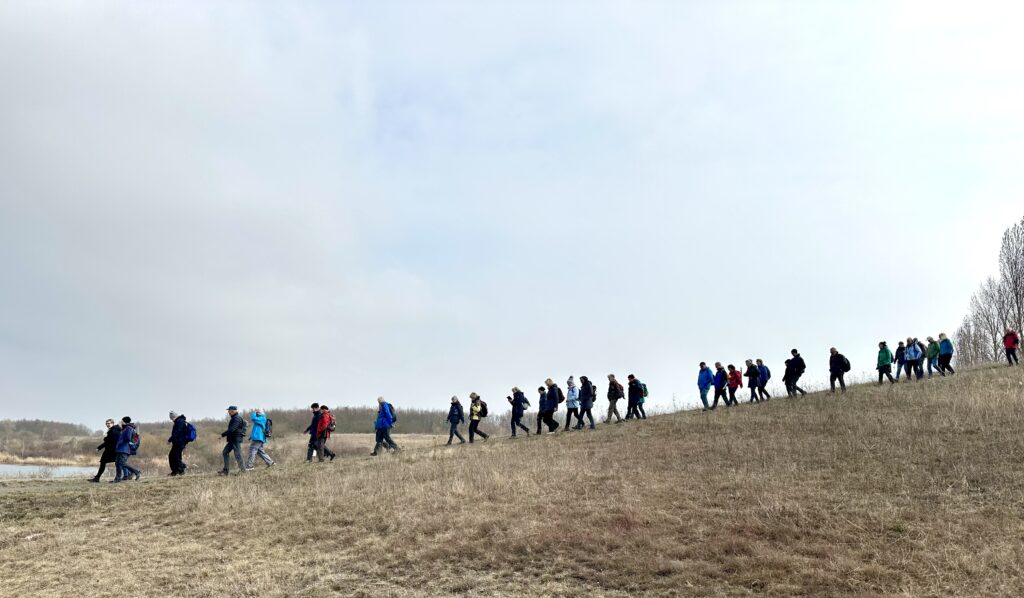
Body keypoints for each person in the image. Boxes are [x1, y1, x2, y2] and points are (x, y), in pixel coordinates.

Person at [90, 418, 120, 482]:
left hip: (112, 450)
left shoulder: (113, 431)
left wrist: (100, 446)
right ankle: (97, 478)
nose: (107, 425)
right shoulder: (112, 430)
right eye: (106, 423)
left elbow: (111, 441)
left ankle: (97, 478)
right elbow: (108, 441)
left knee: (120, 463)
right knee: (118, 463)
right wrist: (99, 447)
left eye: (109, 423)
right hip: (111, 450)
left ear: (112, 423)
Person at [112, 416, 141, 483]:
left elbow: (128, 438)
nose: (121, 422)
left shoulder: (128, 428)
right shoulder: (124, 428)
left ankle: (137, 472)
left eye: (121, 421)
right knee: (117, 463)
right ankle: (117, 479)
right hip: (120, 449)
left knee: (122, 463)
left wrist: (120, 442)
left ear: (124, 421)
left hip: (124, 449)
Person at [220, 406, 247, 475]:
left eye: (229, 411)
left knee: (238, 454)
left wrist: (222, 435)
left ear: (232, 411)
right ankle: (226, 470)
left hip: (235, 439)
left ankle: (243, 471)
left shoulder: (236, 418)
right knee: (225, 452)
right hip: (232, 440)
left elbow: (232, 429)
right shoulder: (234, 418)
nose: (228, 412)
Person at [167, 411, 190, 476]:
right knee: (175, 456)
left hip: (179, 442)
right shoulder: (179, 421)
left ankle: (180, 469)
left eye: (172, 418)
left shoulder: (179, 422)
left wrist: (170, 440)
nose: (171, 419)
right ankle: (178, 471)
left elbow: (177, 433)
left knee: (173, 456)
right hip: (178, 442)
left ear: (175, 416)